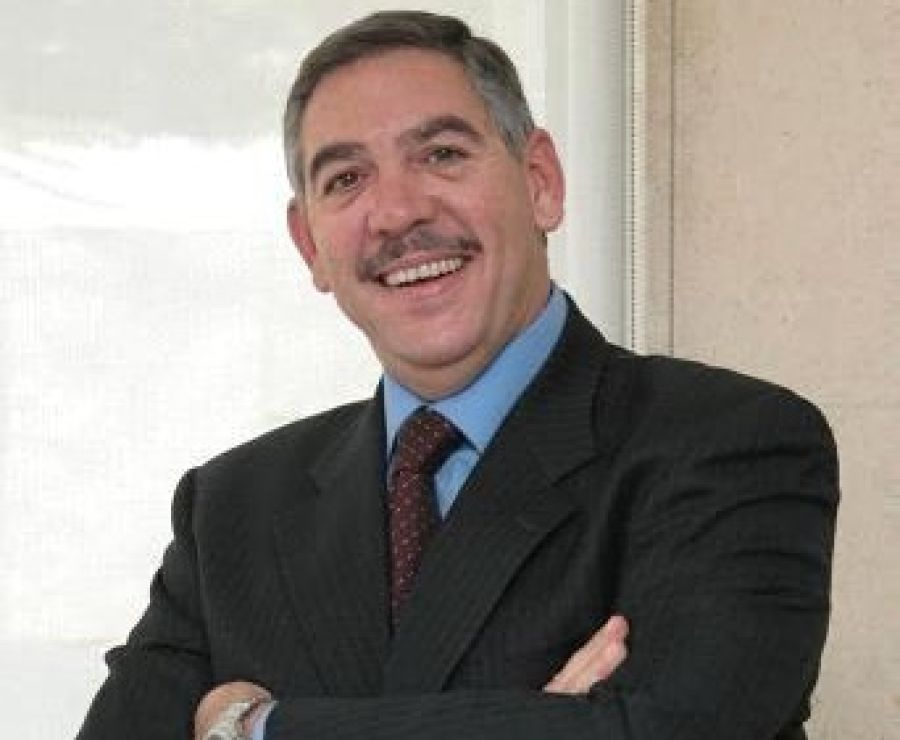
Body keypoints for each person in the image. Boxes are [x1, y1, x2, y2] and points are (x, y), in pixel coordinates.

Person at [77, 10, 839, 740]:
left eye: (440, 154)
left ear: (540, 182)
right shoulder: (231, 511)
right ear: (310, 246)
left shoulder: (728, 445)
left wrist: (253, 725)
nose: (396, 212)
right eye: (346, 178)